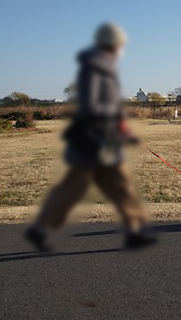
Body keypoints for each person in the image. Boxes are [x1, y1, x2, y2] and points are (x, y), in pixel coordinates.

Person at [25, 23, 157, 250]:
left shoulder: (102, 70)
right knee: (73, 188)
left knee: (119, 186)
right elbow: (95, 108)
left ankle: (134, 231)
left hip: (103, 142)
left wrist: (123, 131)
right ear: (112, 45)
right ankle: (40, 229)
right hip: (90, 143)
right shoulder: (95, 71)